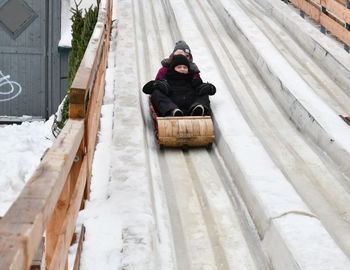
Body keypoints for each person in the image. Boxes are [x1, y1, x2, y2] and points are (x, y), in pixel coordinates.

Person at [143, 54, 216, 117]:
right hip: (172, 109)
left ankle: (197, 110)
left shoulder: (193, 80)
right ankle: (172, 111)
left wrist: (210, 88)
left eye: (185, 67)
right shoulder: (167, 80)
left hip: (191, 108)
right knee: (156, 93)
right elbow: (146, 89)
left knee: (203, 91)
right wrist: (155, 84)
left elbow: (207, 89)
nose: (182, 69)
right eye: (179, 67)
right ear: (173, 68)